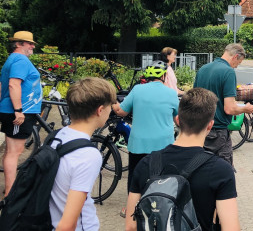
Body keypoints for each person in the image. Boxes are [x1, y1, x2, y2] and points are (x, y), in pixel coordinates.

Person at [125, 88, 240, 231]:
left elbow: (131, 226)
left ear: (178, 120)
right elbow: (231, 228)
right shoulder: (220, 170)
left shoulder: (146, 163)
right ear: (210, 125)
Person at [49, 77, 116, 231]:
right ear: (100, 111)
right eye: (109, 106)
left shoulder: (57, 136)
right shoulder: (88, 155)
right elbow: (67, 225)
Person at [113, 60, 179, 192]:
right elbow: (178, 120)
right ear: (163, 76)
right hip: (163, 144)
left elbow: (121, 111)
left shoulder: (137, 90)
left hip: (139, 143)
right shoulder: (172, 93)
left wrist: (112, 101)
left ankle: (132, 207)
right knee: (161, 179)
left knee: (135, 176)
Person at [193, 43, 253, 164]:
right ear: (235, 56)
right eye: (238, 63)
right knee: (224, 171)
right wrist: (245, 109)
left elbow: (194, 98)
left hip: (199, 128)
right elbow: (229, 109)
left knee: (201, 167)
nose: (236, 66)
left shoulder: (203, 69)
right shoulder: (228, 72)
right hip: (217, 131)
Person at [0, 31, 42, 196]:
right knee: (14, 152)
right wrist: (18, 110)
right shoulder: (20, 60)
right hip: (18, 111)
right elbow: (13, 85)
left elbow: (2, 84)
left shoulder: (12, 59)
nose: (32, 46)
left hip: (11, 110)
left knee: (10, 151)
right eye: (29, 43)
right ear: (18, 44)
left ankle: (9, 189)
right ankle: (10, 194)